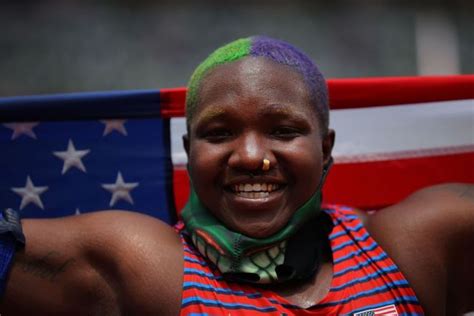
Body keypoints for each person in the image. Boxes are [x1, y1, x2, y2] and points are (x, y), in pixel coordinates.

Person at [0, 36, 473, 316]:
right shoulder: (149, 269)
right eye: (220, 133)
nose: (251, 156)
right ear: (188, 152)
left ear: (325, 149)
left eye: (283, 131)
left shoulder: (411, 247)